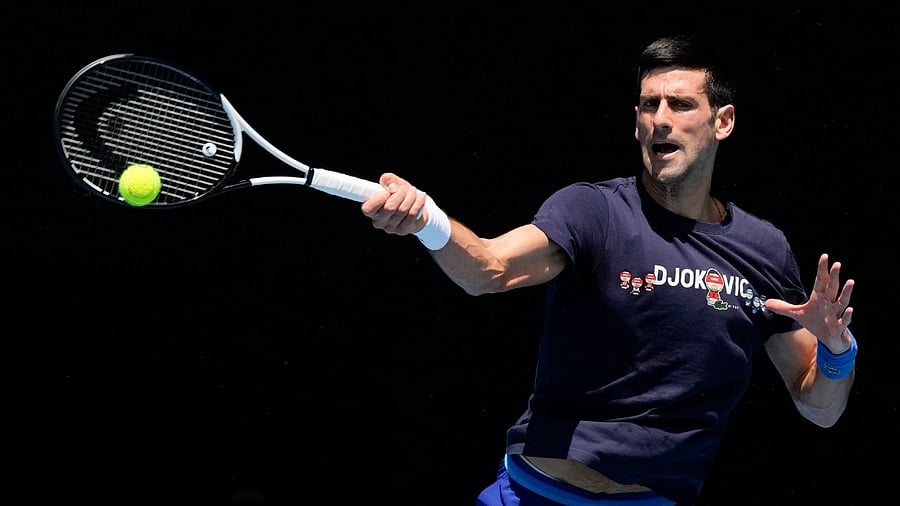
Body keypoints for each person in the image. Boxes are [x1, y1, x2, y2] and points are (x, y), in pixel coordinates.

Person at [359, 34, 857, 506]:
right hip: (537, 494)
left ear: (722, 121)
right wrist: (426, 219)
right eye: (648, 104)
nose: (660, 119)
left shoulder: (764, 249)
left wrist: (838, 350)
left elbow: (820, 407)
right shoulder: (592, 212)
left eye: (680, 104)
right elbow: (489, 269)